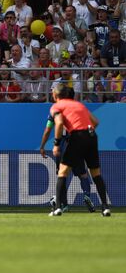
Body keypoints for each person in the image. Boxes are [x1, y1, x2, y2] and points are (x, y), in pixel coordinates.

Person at [49, 83, 111, 217]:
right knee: (96, 174)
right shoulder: (79, 105)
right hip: (91, 136)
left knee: (63, 172)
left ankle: (59, 207)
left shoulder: (57, 106)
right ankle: (105, 207)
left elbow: (59, 124)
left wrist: (56, 144)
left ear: (55, 95)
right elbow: (95, 121)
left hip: (77, 136)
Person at [40, 86, 95, 213]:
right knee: (83, 174)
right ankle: (87, 195)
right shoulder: (77, 108)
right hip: (76, 142)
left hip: (62, 144)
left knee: (62, 175)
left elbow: (48, 128)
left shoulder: (56, 110)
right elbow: (91, 124)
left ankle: (63, 204)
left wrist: (43, 146)